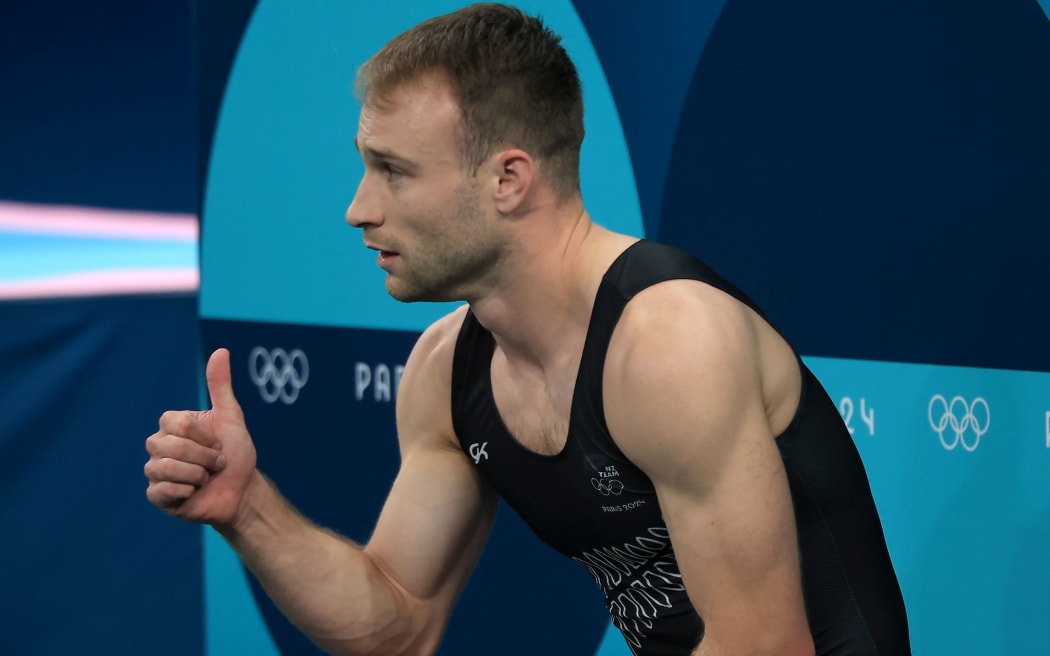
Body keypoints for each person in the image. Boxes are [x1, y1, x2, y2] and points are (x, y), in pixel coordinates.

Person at [144, 4, 910, 655]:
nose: (359, 207)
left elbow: (764, 647)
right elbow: (398, 625)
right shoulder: (446, 370)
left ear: (509, 180)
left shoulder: (669, 343)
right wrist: (248, 510)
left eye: (393, 171)